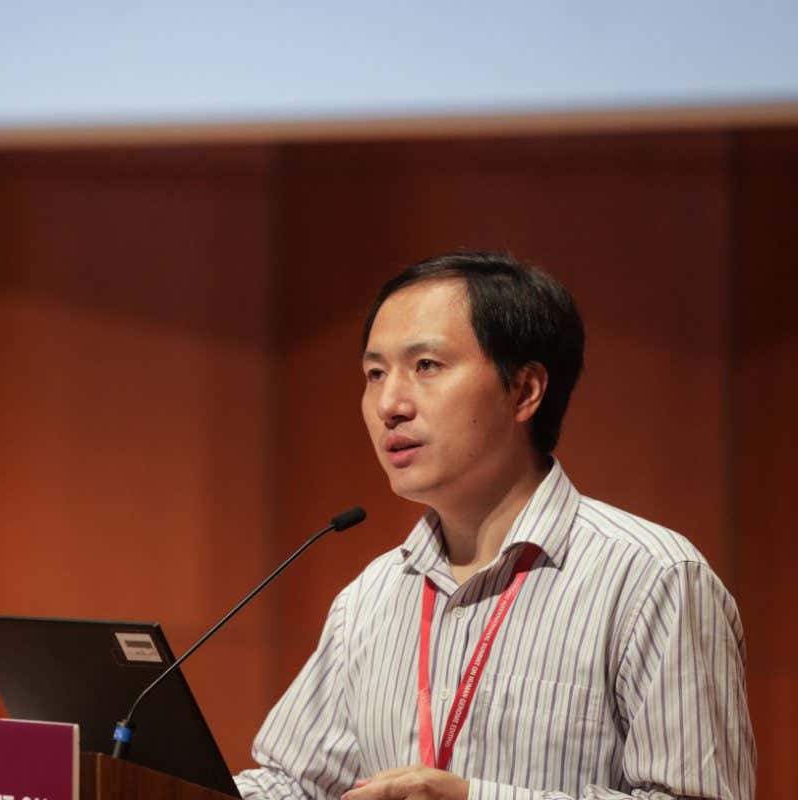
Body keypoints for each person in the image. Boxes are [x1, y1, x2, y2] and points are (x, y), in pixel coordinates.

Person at [234, 252, 756, 800]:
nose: (389, 403)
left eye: (427, 366)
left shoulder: (653, 578)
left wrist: (475, 798)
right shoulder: (370, 597)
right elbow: (293, 784)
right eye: (374, 373)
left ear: (525, 390)